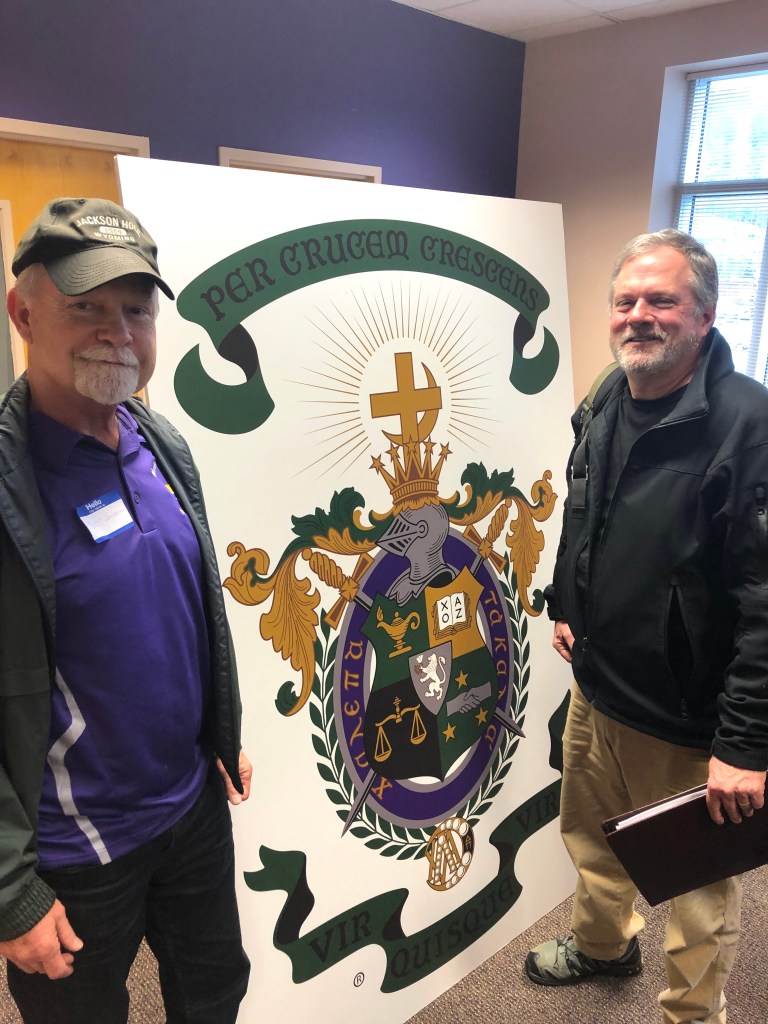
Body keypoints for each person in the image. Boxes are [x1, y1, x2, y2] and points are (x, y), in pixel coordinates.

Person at [0, 197, 252, 1024]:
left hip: (191, 809)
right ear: (23, 314)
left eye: (136, 310)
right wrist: (9, 890)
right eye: (86, 307)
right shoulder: (9, 484)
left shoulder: (159, 442)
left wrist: (221, 733)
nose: (117, 331)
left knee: (215, 995)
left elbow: (186, 611)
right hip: (74, 850)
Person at [525, 229, 768, 1024]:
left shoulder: (749, 425)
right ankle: (603, 947)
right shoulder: (608, 394)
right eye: (625, 300)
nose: (639, 315)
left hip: (690, 718)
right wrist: (567, 603)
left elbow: (766, 602)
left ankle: (691, 1017)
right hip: (599, 689)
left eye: (661, 300)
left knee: (698, 894)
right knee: (593, 840)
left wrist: (745, 746)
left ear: (704, 315)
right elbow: (584, 511)